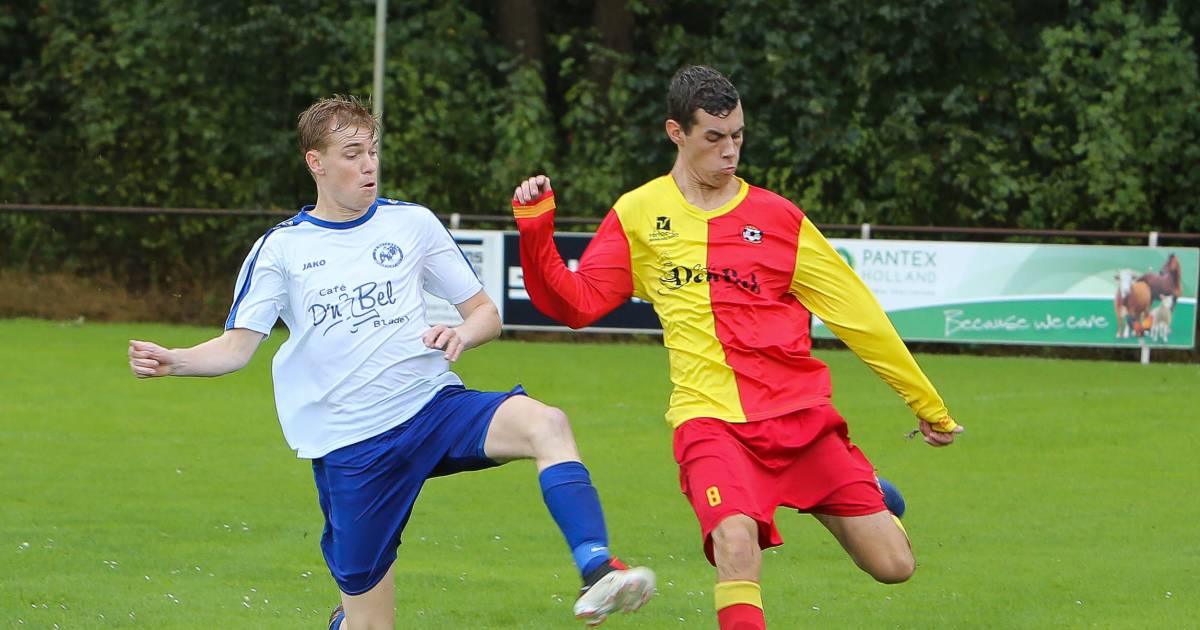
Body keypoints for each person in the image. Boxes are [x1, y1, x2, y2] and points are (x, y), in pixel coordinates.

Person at [127, 95, 654, 630]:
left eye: (372, 151)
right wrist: (177, 360)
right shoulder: (281, 249)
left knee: (548, 422)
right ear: (316, 162)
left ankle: (596, 569)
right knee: (371, 625)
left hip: (431, 407)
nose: (369, 164)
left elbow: (485, 314)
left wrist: (461, 334)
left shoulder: (413, 224)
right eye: (352, 153)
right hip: (352, 446)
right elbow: (237, 347)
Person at [510, 66, 964, 630]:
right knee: (735, 541)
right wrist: (535, 231)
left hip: (800, 420)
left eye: (739, 136)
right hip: (710, 421)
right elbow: (575, 304)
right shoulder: (637, 213)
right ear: (676, 132)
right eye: (715, 138)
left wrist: (926, 403)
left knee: (894, 566)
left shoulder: (780, 219)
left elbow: (859, 317)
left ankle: (864, 486)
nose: (731, 152)